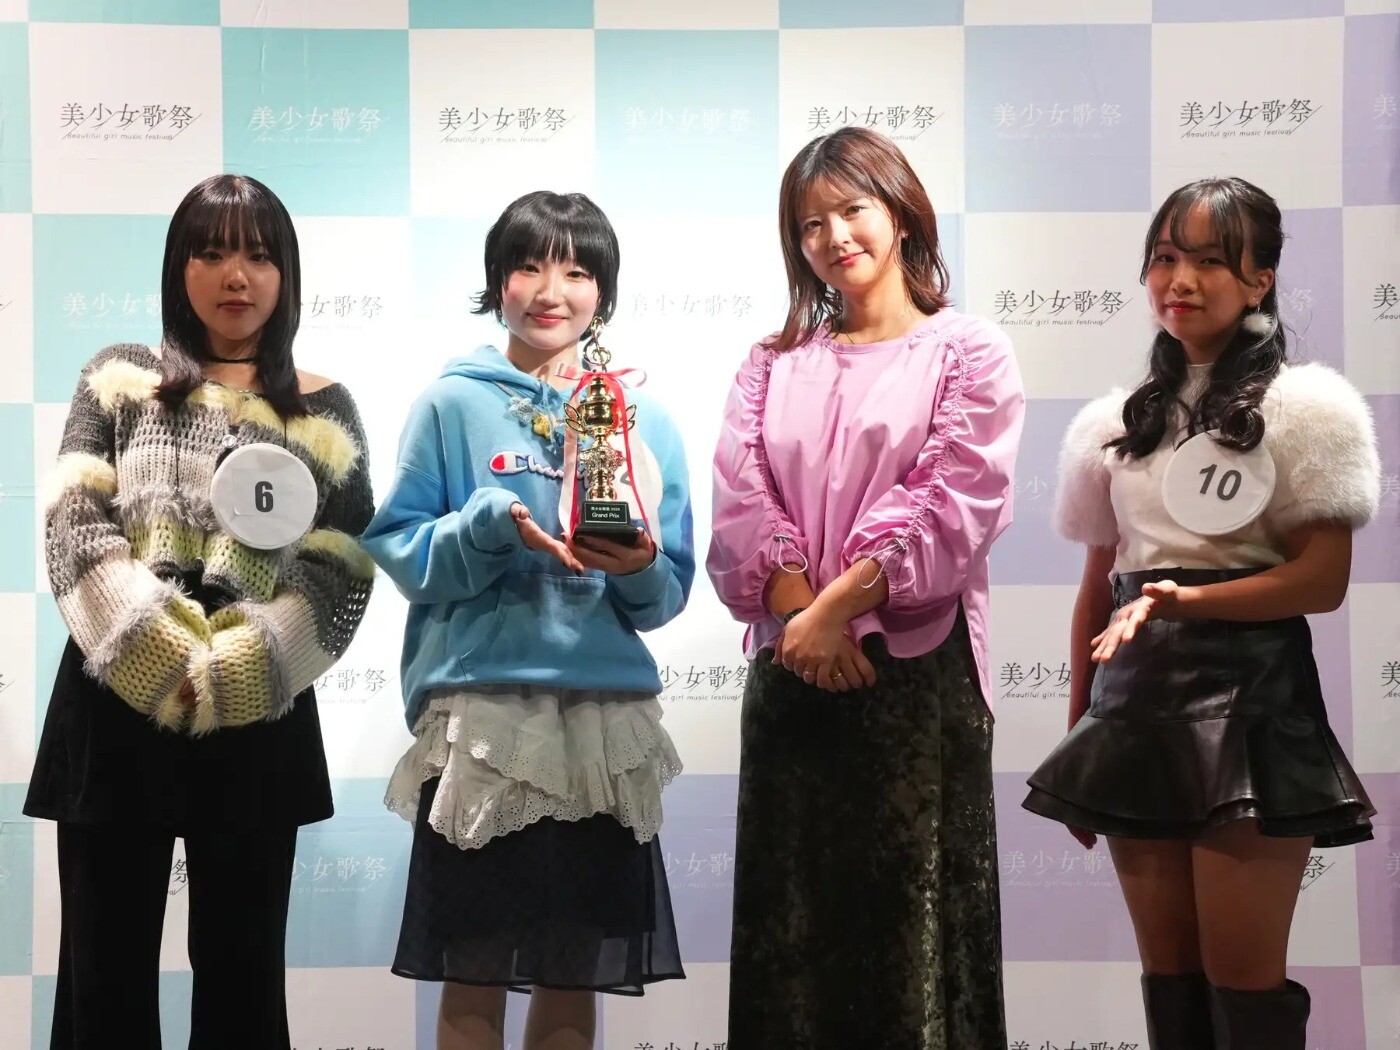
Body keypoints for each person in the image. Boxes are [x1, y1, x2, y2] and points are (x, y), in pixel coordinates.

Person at [1022, 177, 1379, 1050]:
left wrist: (1190, 600)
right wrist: (1080, 740)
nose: (1180, 280)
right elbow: (1097, 592)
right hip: (1133, 712)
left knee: (1242, 985)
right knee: (1171, 983)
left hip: (1253, 705)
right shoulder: (1111, 426)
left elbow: (1322, 581)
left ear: (1260, 280)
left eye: (1211, 261)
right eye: (1164, 258)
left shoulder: (1309, 408)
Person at [24, 174, 376, 1049]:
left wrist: (244, 664)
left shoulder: (325, 409)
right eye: (211, 252)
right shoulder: (119, 379)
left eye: (259, 255)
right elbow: (74, 519)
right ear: (178, 268)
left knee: (244, 981)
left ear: (286, 273)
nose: (236, 275)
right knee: (102, 978)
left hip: (258, 714)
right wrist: (153, 651)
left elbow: (342, 564)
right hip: (113, 708)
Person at [706, 126, 1024, 1049]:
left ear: (901, 213)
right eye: (810, 223)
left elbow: (955, 499)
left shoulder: (968, 351)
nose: (833, 236)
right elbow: (741, 502)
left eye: (852, 210)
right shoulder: (770, 363)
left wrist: (837, 610)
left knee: (910, 939)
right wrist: (804, 621)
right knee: (793, 930)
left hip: (916, 683)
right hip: (794, 677)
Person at [362, 190, 693, 1050]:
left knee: (574, 974)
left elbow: (668, 592)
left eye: (577, 271)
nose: (552, 291)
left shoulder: (639, 414)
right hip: (485, 721)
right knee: (472, 971)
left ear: (603, 291)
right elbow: (400, 549)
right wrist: (485, 528)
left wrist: (636, 565)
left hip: (601, 725)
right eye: (529, 267)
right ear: (496, 282)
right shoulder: (450, 402)